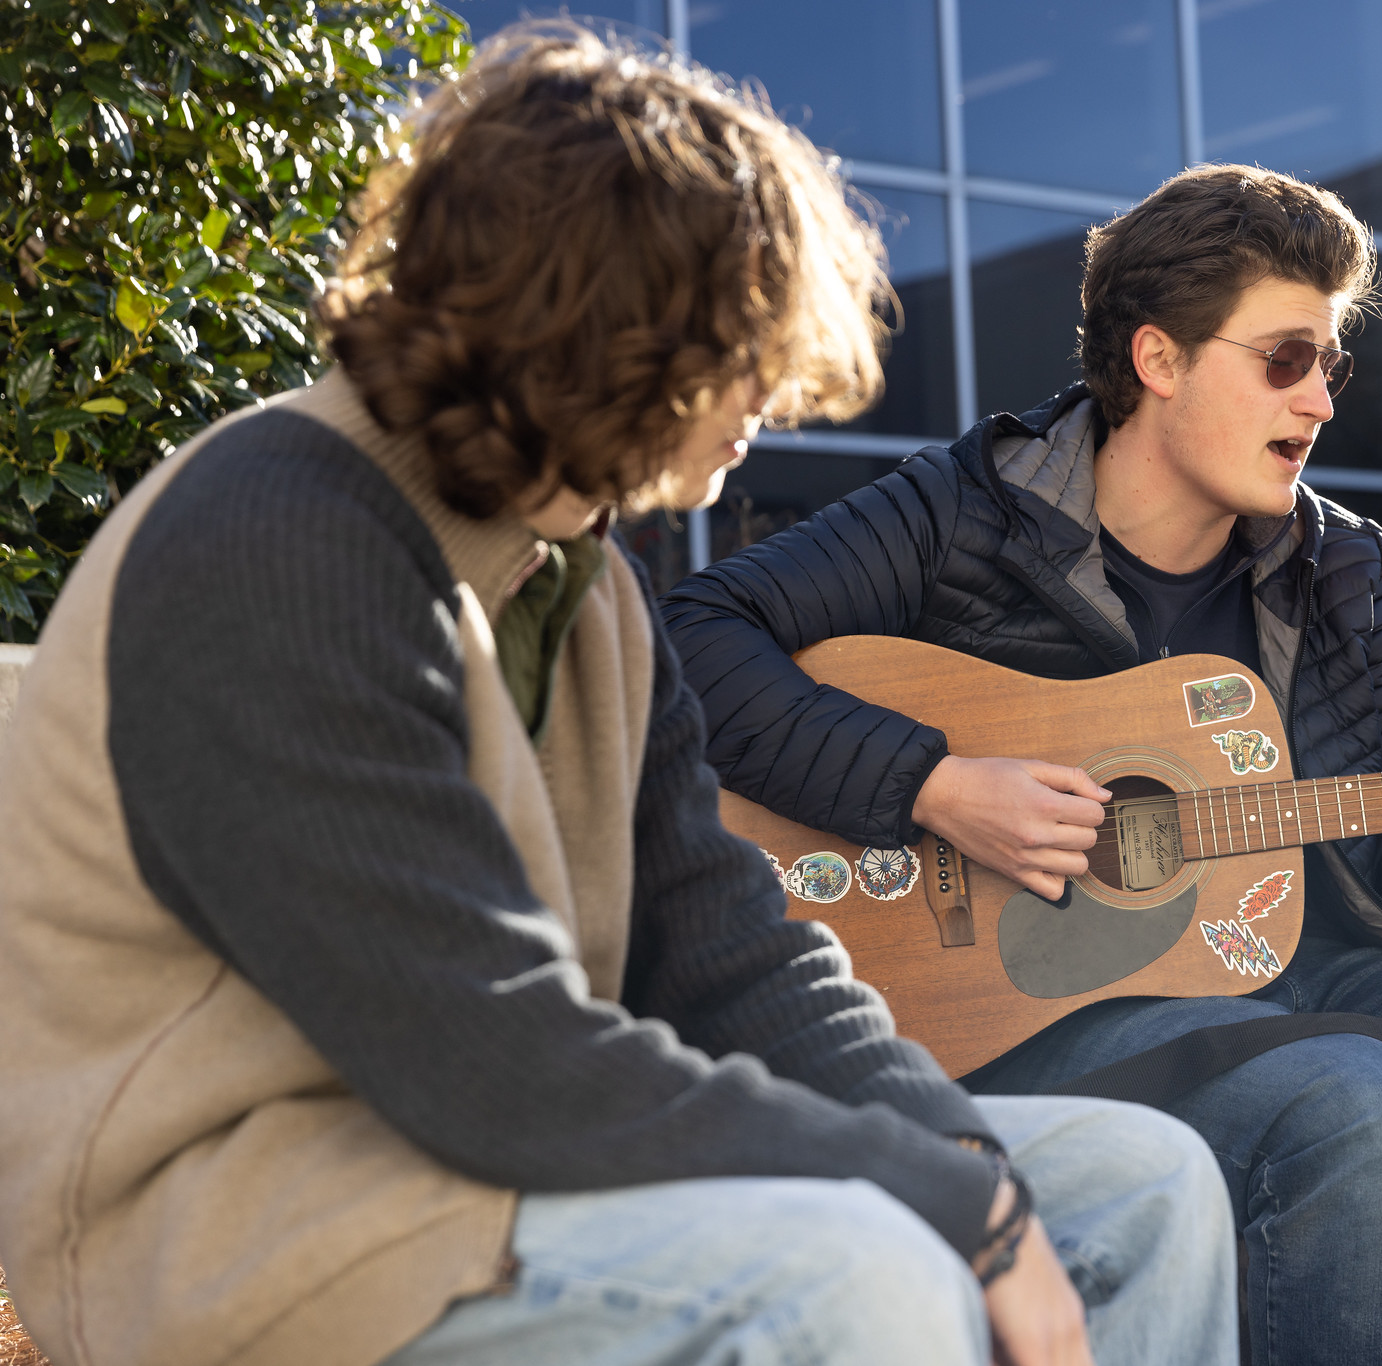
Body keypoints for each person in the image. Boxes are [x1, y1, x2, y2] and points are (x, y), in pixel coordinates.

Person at [0, 29, 1238, 1366]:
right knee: (859, 1273)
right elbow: (489, 1053)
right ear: (596, 319)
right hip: (261, 1233)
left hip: (502, 1167)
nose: (770, 388)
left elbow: (726, 947)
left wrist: (954, 1155)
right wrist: (952, 1206)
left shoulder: (585, 583)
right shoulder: (276, 540)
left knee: (1142, 1182)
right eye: (736, 337)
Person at [662, 164, 1382, 1366]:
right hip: (1018, 1013)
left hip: (1288, 968)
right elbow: (691, 639)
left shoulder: (1333, 562)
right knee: (1354, 1104)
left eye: (1329, 363)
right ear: (1158, 359)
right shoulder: (962, 510)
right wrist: (933, 783)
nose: (1320, 401)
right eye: (1284, 358)